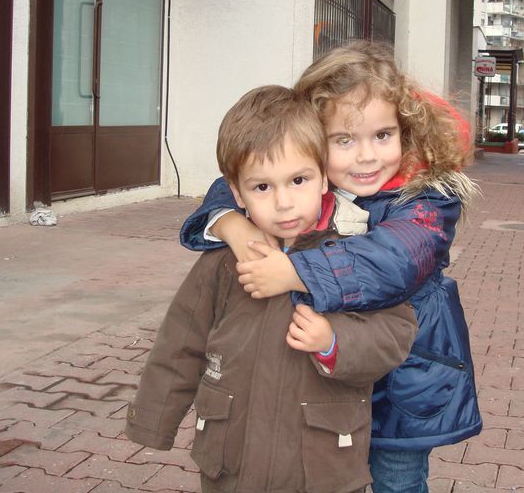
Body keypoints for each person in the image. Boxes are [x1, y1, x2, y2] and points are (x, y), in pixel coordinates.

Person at [180, 42, 483, 493]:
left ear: (405, 130)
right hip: (326, 382)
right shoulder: (311, 182)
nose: (366, 156)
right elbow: (244, 176)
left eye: (382, 135)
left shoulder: (428, 198)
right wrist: (230, 223)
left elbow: (394, 261)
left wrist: (296, 271)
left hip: (402, 383)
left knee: (396, 481)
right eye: (344, 140)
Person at [124, 85, 417, 493]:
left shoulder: (356, 252)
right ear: (236, 191)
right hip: (231, 463)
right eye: (262, 187)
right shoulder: (223, 262)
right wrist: (153, 420)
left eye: (298, 180)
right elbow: (180, 344)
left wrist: (334, 340)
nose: (283, 202)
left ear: (323, 177)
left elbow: (395, 333)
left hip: (321, 467)